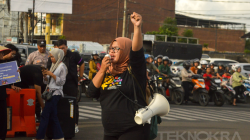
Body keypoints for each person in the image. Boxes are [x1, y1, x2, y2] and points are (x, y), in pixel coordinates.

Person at [87, 12, 150, 140]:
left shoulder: (133, 71)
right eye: (111, 48)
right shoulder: (107, 72)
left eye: (117, 49)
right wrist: (102, 70)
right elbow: (91, 93)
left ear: (126, 51)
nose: (112, 51)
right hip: (110, 132)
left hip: (133, 130)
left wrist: (137, 27)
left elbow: (137, 52)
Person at [34, 48, 67, 140]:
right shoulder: (54, 65)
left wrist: (51, 74)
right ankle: (59, 136)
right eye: (51, 57)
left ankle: (39, 137)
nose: (51, 58)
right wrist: (45, 76)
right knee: (53, 116)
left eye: (52, 57)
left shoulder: (62, 66)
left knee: (45, 115)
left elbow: (62, 82)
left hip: (55, 93)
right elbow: (47, 82)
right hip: (50, 92)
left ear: (58, 56)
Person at [57, 39, 85, 133]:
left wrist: (80, 76)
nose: (62, 50)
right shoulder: (56, 55)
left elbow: (82, 63)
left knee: (73, 105)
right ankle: (61, 124)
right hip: (59, 85)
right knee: (59, 104)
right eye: (59, 48)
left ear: (66, 47)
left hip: (71, 84)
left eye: (63, 48)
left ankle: (75, 124)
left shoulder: (74, 55)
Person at [0, 46, 21, 140]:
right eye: (1, 53)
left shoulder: (4, 65)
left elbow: (4, 81)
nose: (2, 55)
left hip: (1, 96)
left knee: (3, 119)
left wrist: (13, 79)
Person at [25, 39, 49, 122]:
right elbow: (27, 67)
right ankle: (38, 116)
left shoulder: (49, 55)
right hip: (35, 81)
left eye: (43, 46)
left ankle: (46, 115)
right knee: (36, 99)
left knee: (47, 98)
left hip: (46, 81)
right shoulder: (32, 55)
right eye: (40, 46)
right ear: (37, 46)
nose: (42, 48)